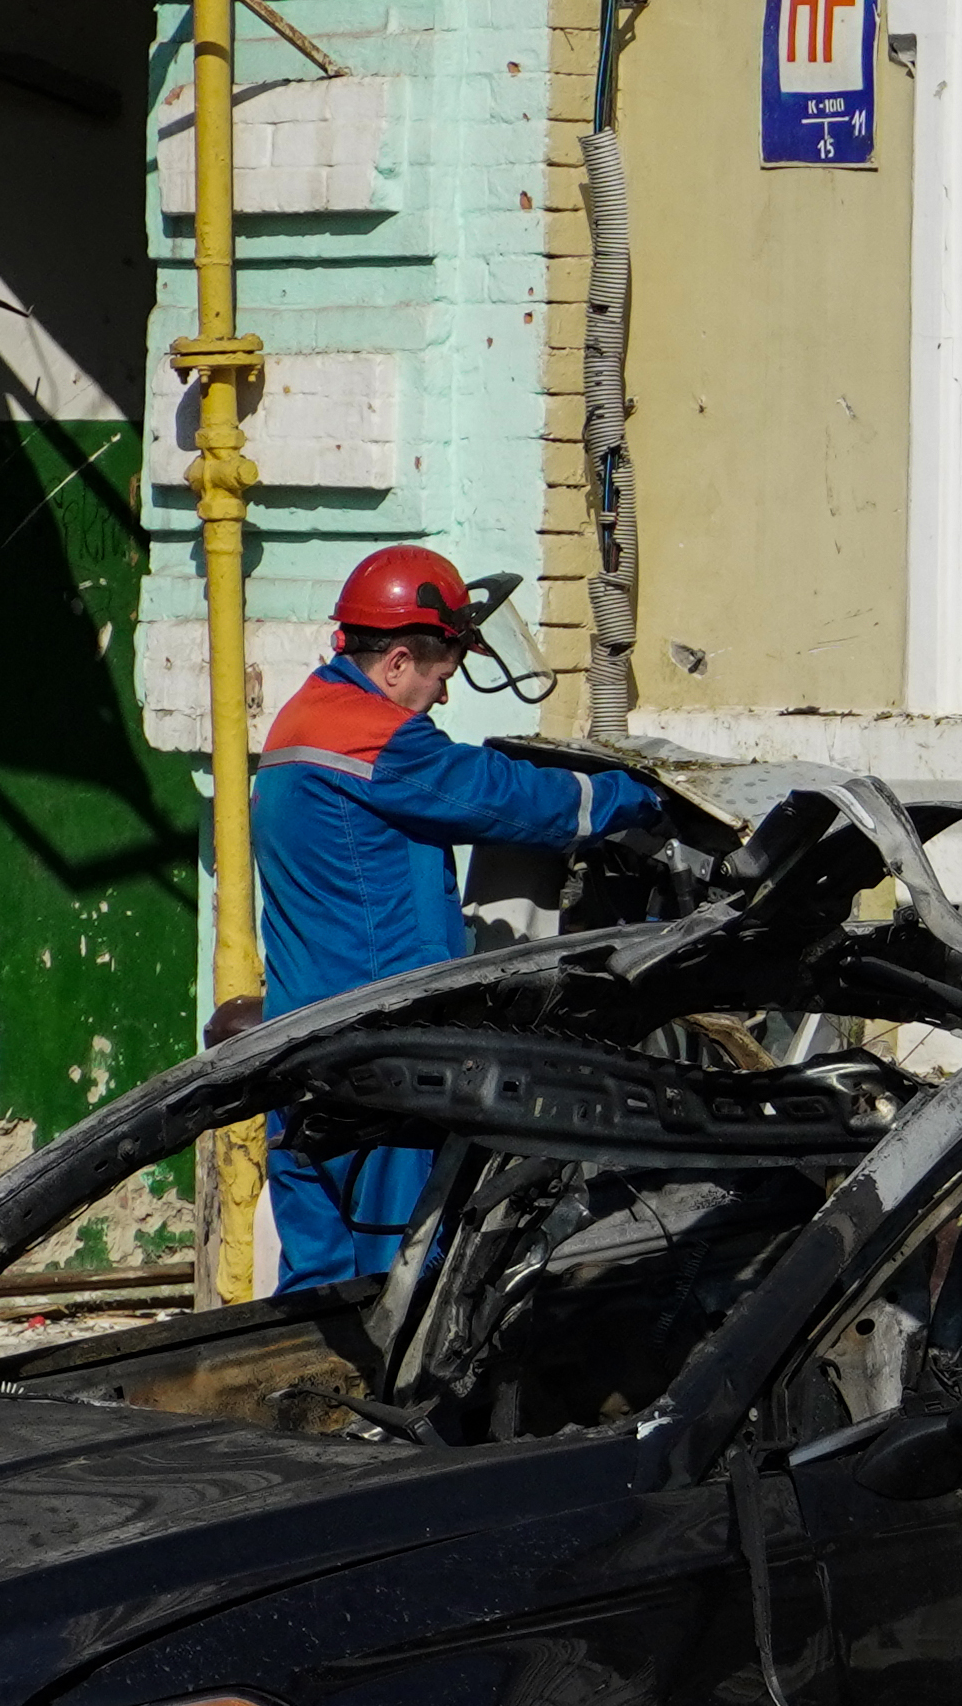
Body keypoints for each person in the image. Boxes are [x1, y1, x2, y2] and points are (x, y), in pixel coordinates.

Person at [247, 546, 660, 1291]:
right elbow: (507, 799)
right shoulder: (373, 737)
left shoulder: (301, 718)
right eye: (442, 676)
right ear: (398, 661)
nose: (441, 697)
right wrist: (642, 796)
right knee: (397, 1285)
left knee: (316, 1289)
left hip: (299, 1050)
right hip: (381, 1058)